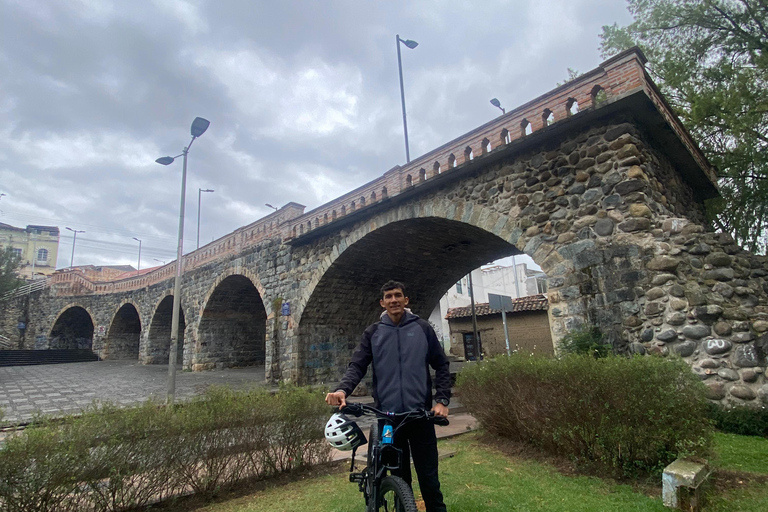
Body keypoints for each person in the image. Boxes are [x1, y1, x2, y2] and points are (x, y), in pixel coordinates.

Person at [326, 280, 451, 512]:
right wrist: (343, 390)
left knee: (429, 479)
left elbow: (442, 366)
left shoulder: (423, 329)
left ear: (406, 300)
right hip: (388, 419)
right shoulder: (373, 333)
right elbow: (357, 365)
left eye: (398, 295)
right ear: (382, 303)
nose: (394, 300)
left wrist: (442, 401)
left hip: (420, 416)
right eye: (389, 297)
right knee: (399, 476)